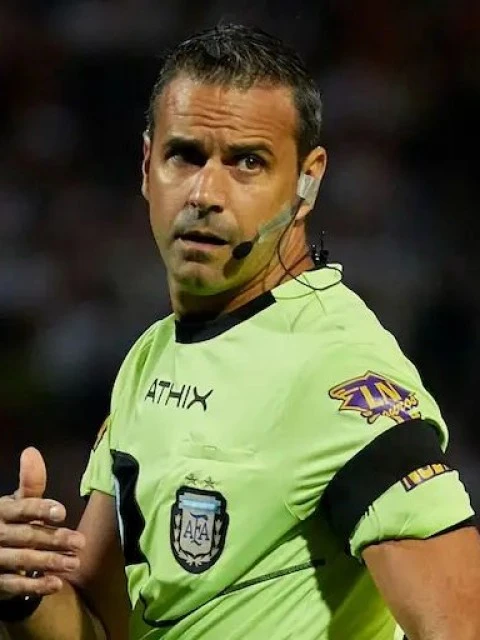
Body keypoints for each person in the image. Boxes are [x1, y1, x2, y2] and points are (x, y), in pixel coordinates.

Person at [0, 23, 479, 640]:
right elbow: (101, 628)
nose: (206, 193)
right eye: (185, 156)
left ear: (308, 181)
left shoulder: (337, 366)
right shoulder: (150, 356)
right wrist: (22, 588)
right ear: (147, 166)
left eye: (248, 162)